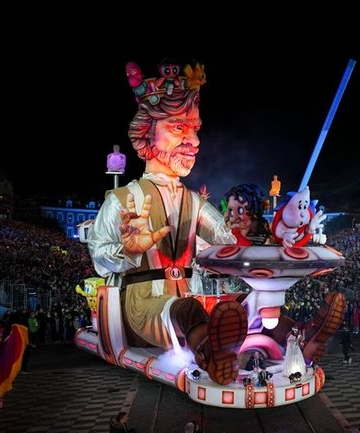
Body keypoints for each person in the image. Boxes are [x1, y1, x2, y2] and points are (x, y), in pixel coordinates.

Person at [87, 59, 247, 386]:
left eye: (194, 129)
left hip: (189, 300)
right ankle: (213, 356)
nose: (194, 141)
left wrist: (249, 232)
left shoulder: (194, 202)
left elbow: (227, 242)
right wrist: (129, 252)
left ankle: (296, 336)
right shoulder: (122, 200)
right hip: (144, 308)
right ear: (148, 133)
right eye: (178, 128)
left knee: (238, 304)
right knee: (187, 310)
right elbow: (100, 256)